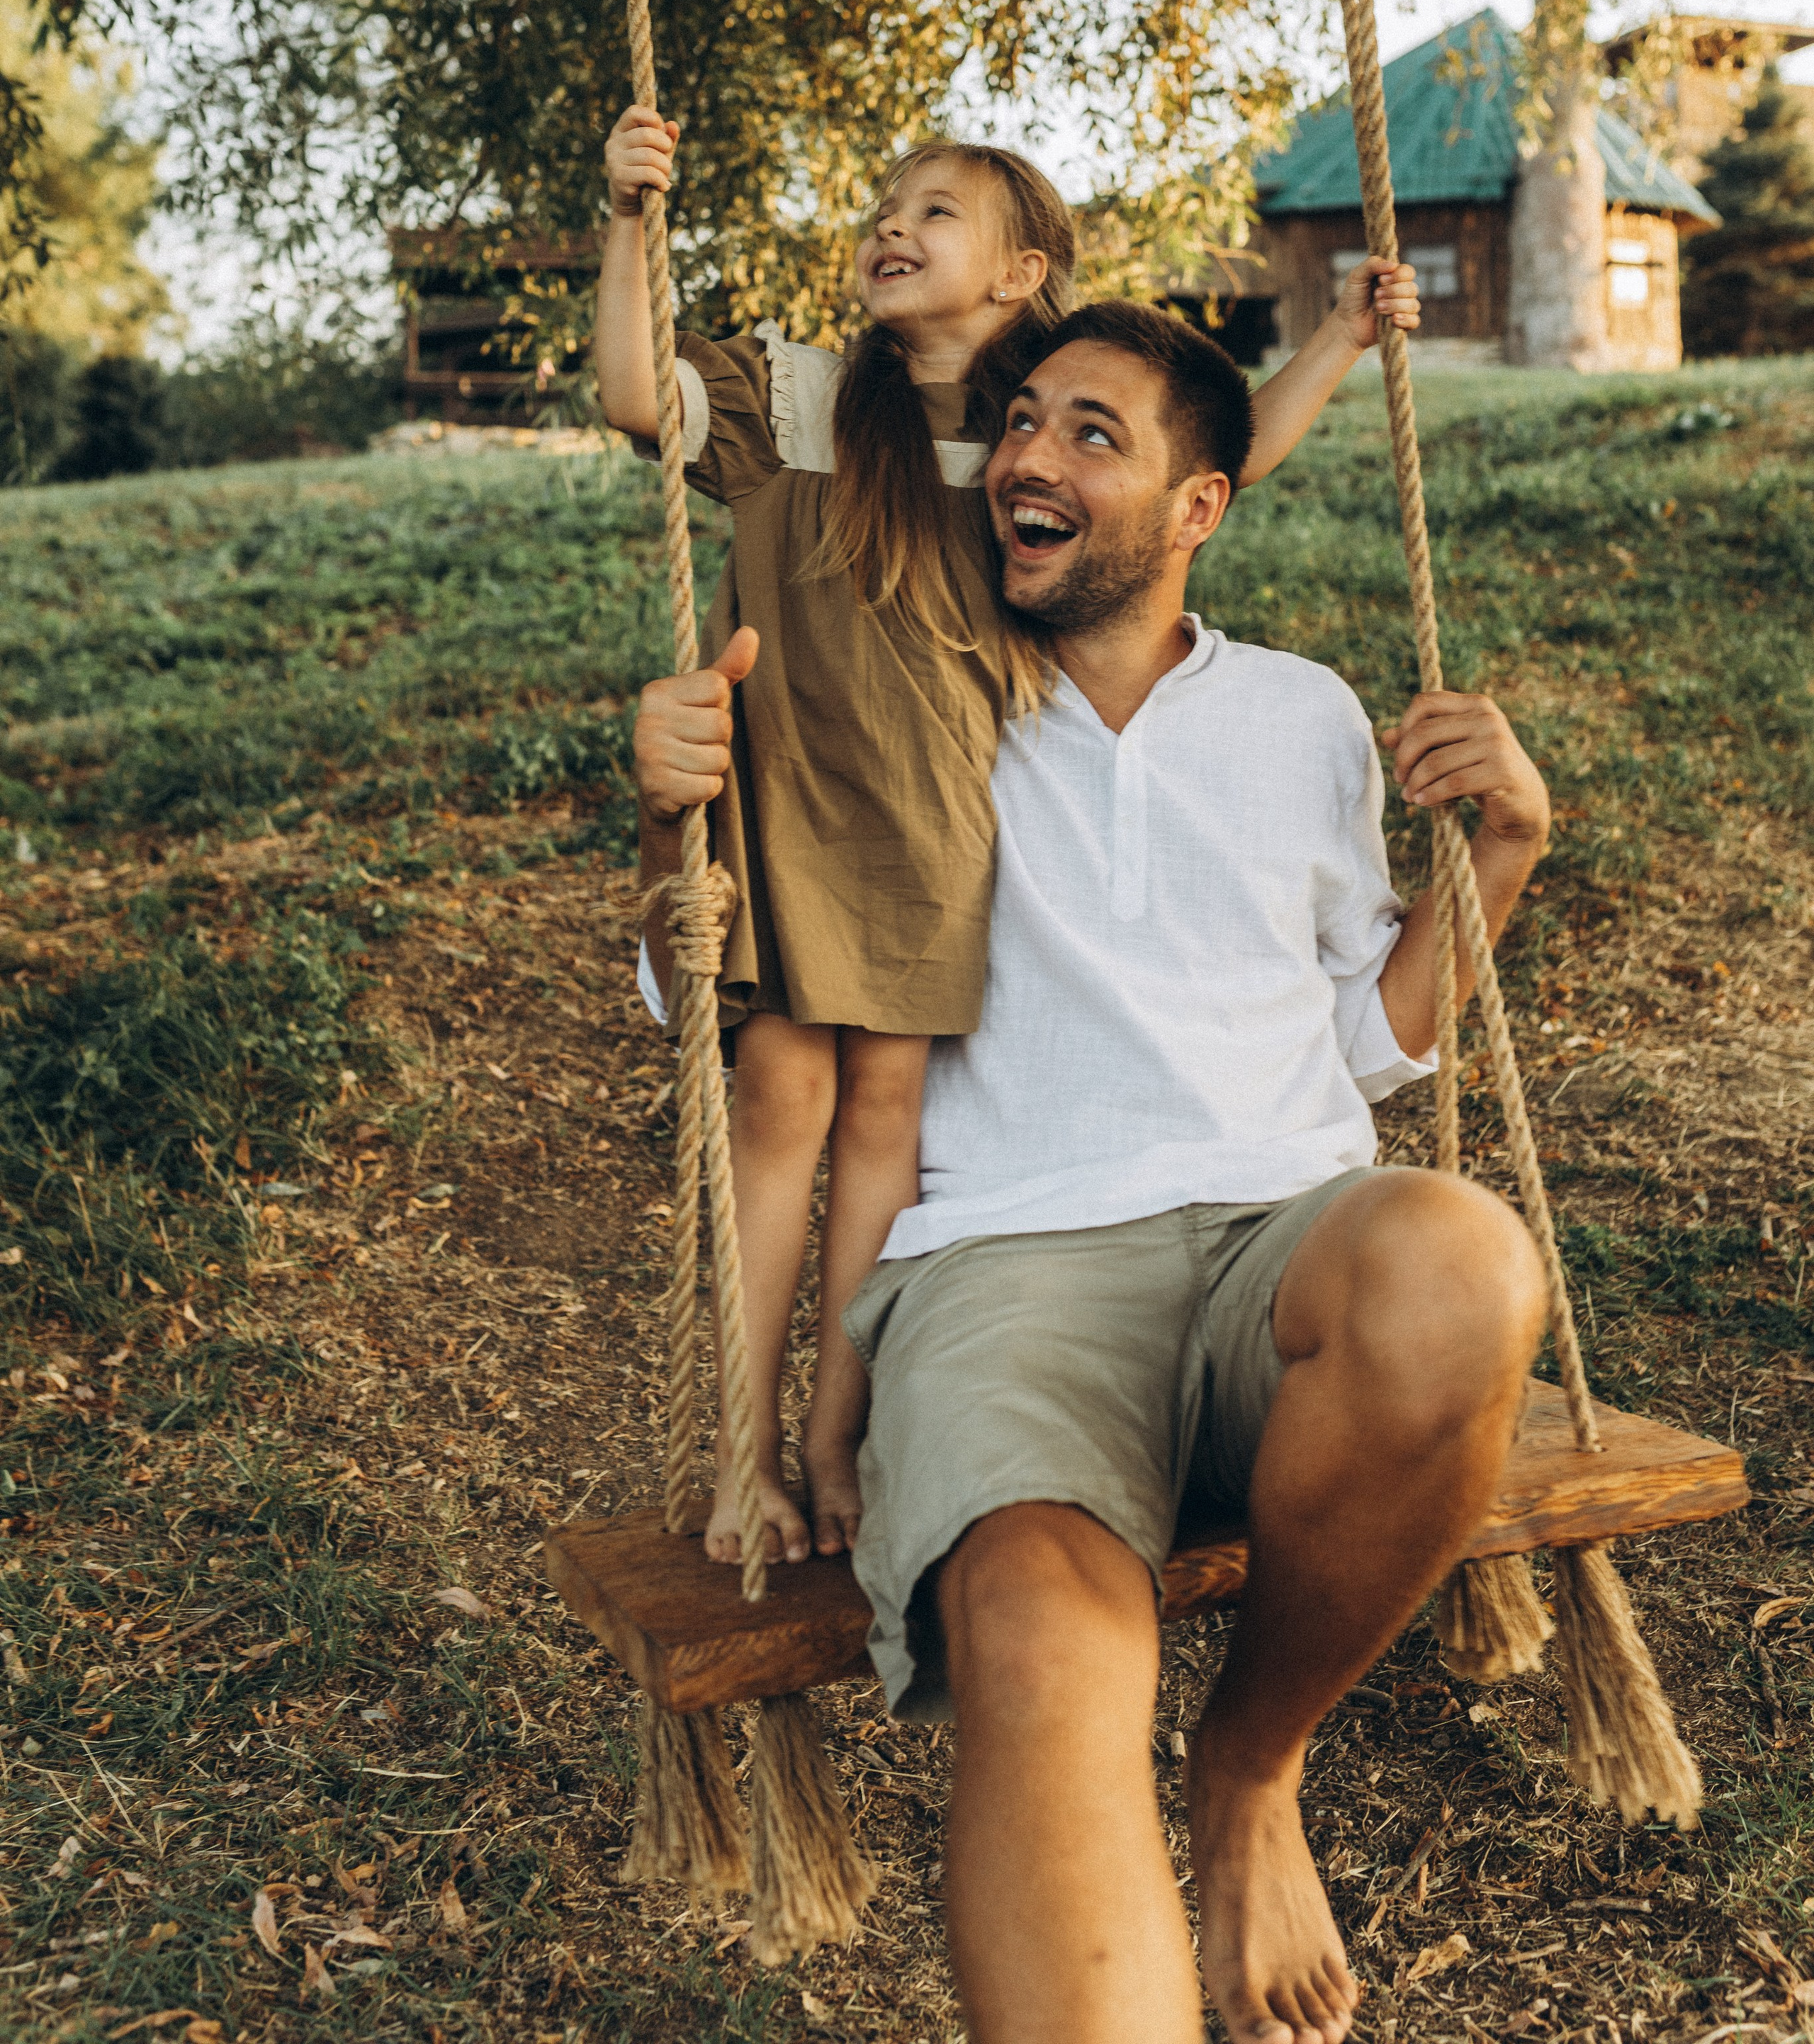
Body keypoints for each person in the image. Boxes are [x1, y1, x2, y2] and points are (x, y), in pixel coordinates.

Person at [634, 300, 1552, 2044]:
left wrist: (1497, 853)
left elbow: (1372, 1040)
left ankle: (1250, 1768)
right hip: (1004, 1266)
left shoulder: (1301, 714)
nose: (1028, 463)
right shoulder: (903, 682)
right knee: (1044, 1649)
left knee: (1463, 1263)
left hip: (1284, 1232)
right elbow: (735, 999)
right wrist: (668, 821)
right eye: (1023, 425)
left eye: (1089, 436)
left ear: (1198, 507)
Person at [600, 106, 1419, 1569]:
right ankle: (736, 1446)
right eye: (886, 204)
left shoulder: (1016, 448)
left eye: (938, 213)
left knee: (884, 1133)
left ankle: (828, 1433)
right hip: (787, 806)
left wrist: (1342, 342)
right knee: (776, 1107)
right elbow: (630, 397)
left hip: (930, 834)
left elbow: (1211, 464)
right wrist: (627, 224)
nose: (892, 227)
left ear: (1018, 271)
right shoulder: (795, 397)